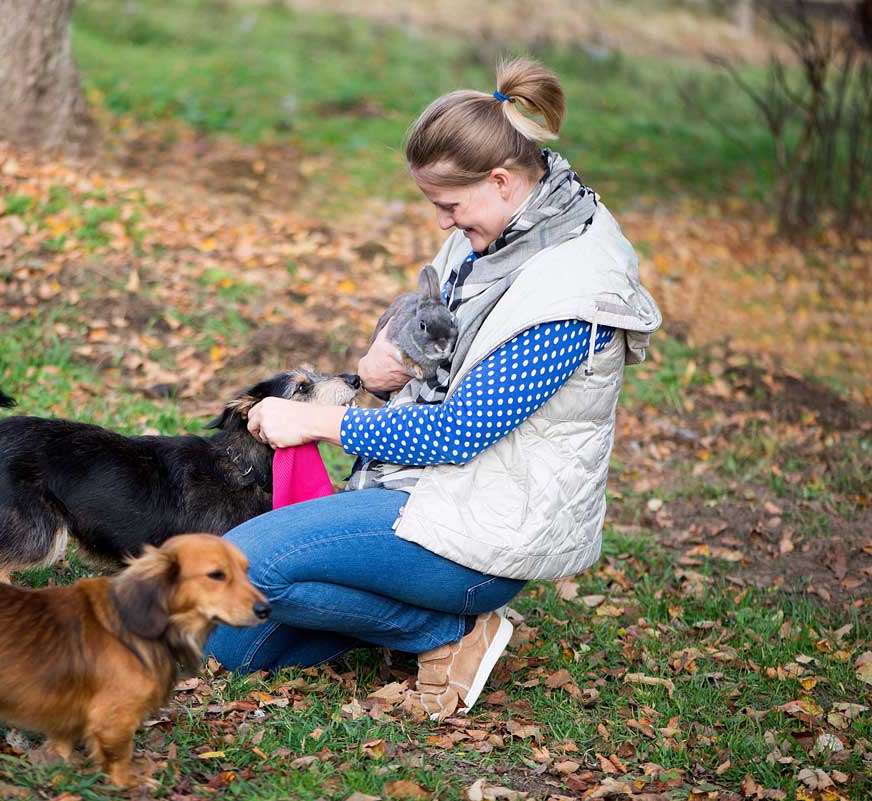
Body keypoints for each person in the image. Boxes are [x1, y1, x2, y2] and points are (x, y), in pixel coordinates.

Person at [206, 57, 661, 721]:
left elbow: (457, 432)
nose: (444, 224)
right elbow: (432, 314)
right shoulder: (501, 230)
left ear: (502, 180)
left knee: (239, 568)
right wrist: (379, 359)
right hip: (419, 491)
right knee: (234, 645)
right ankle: (405, 616)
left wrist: (316, 424)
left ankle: (446, 629)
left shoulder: (573, 289)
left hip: (481, 529)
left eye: (450, 206)